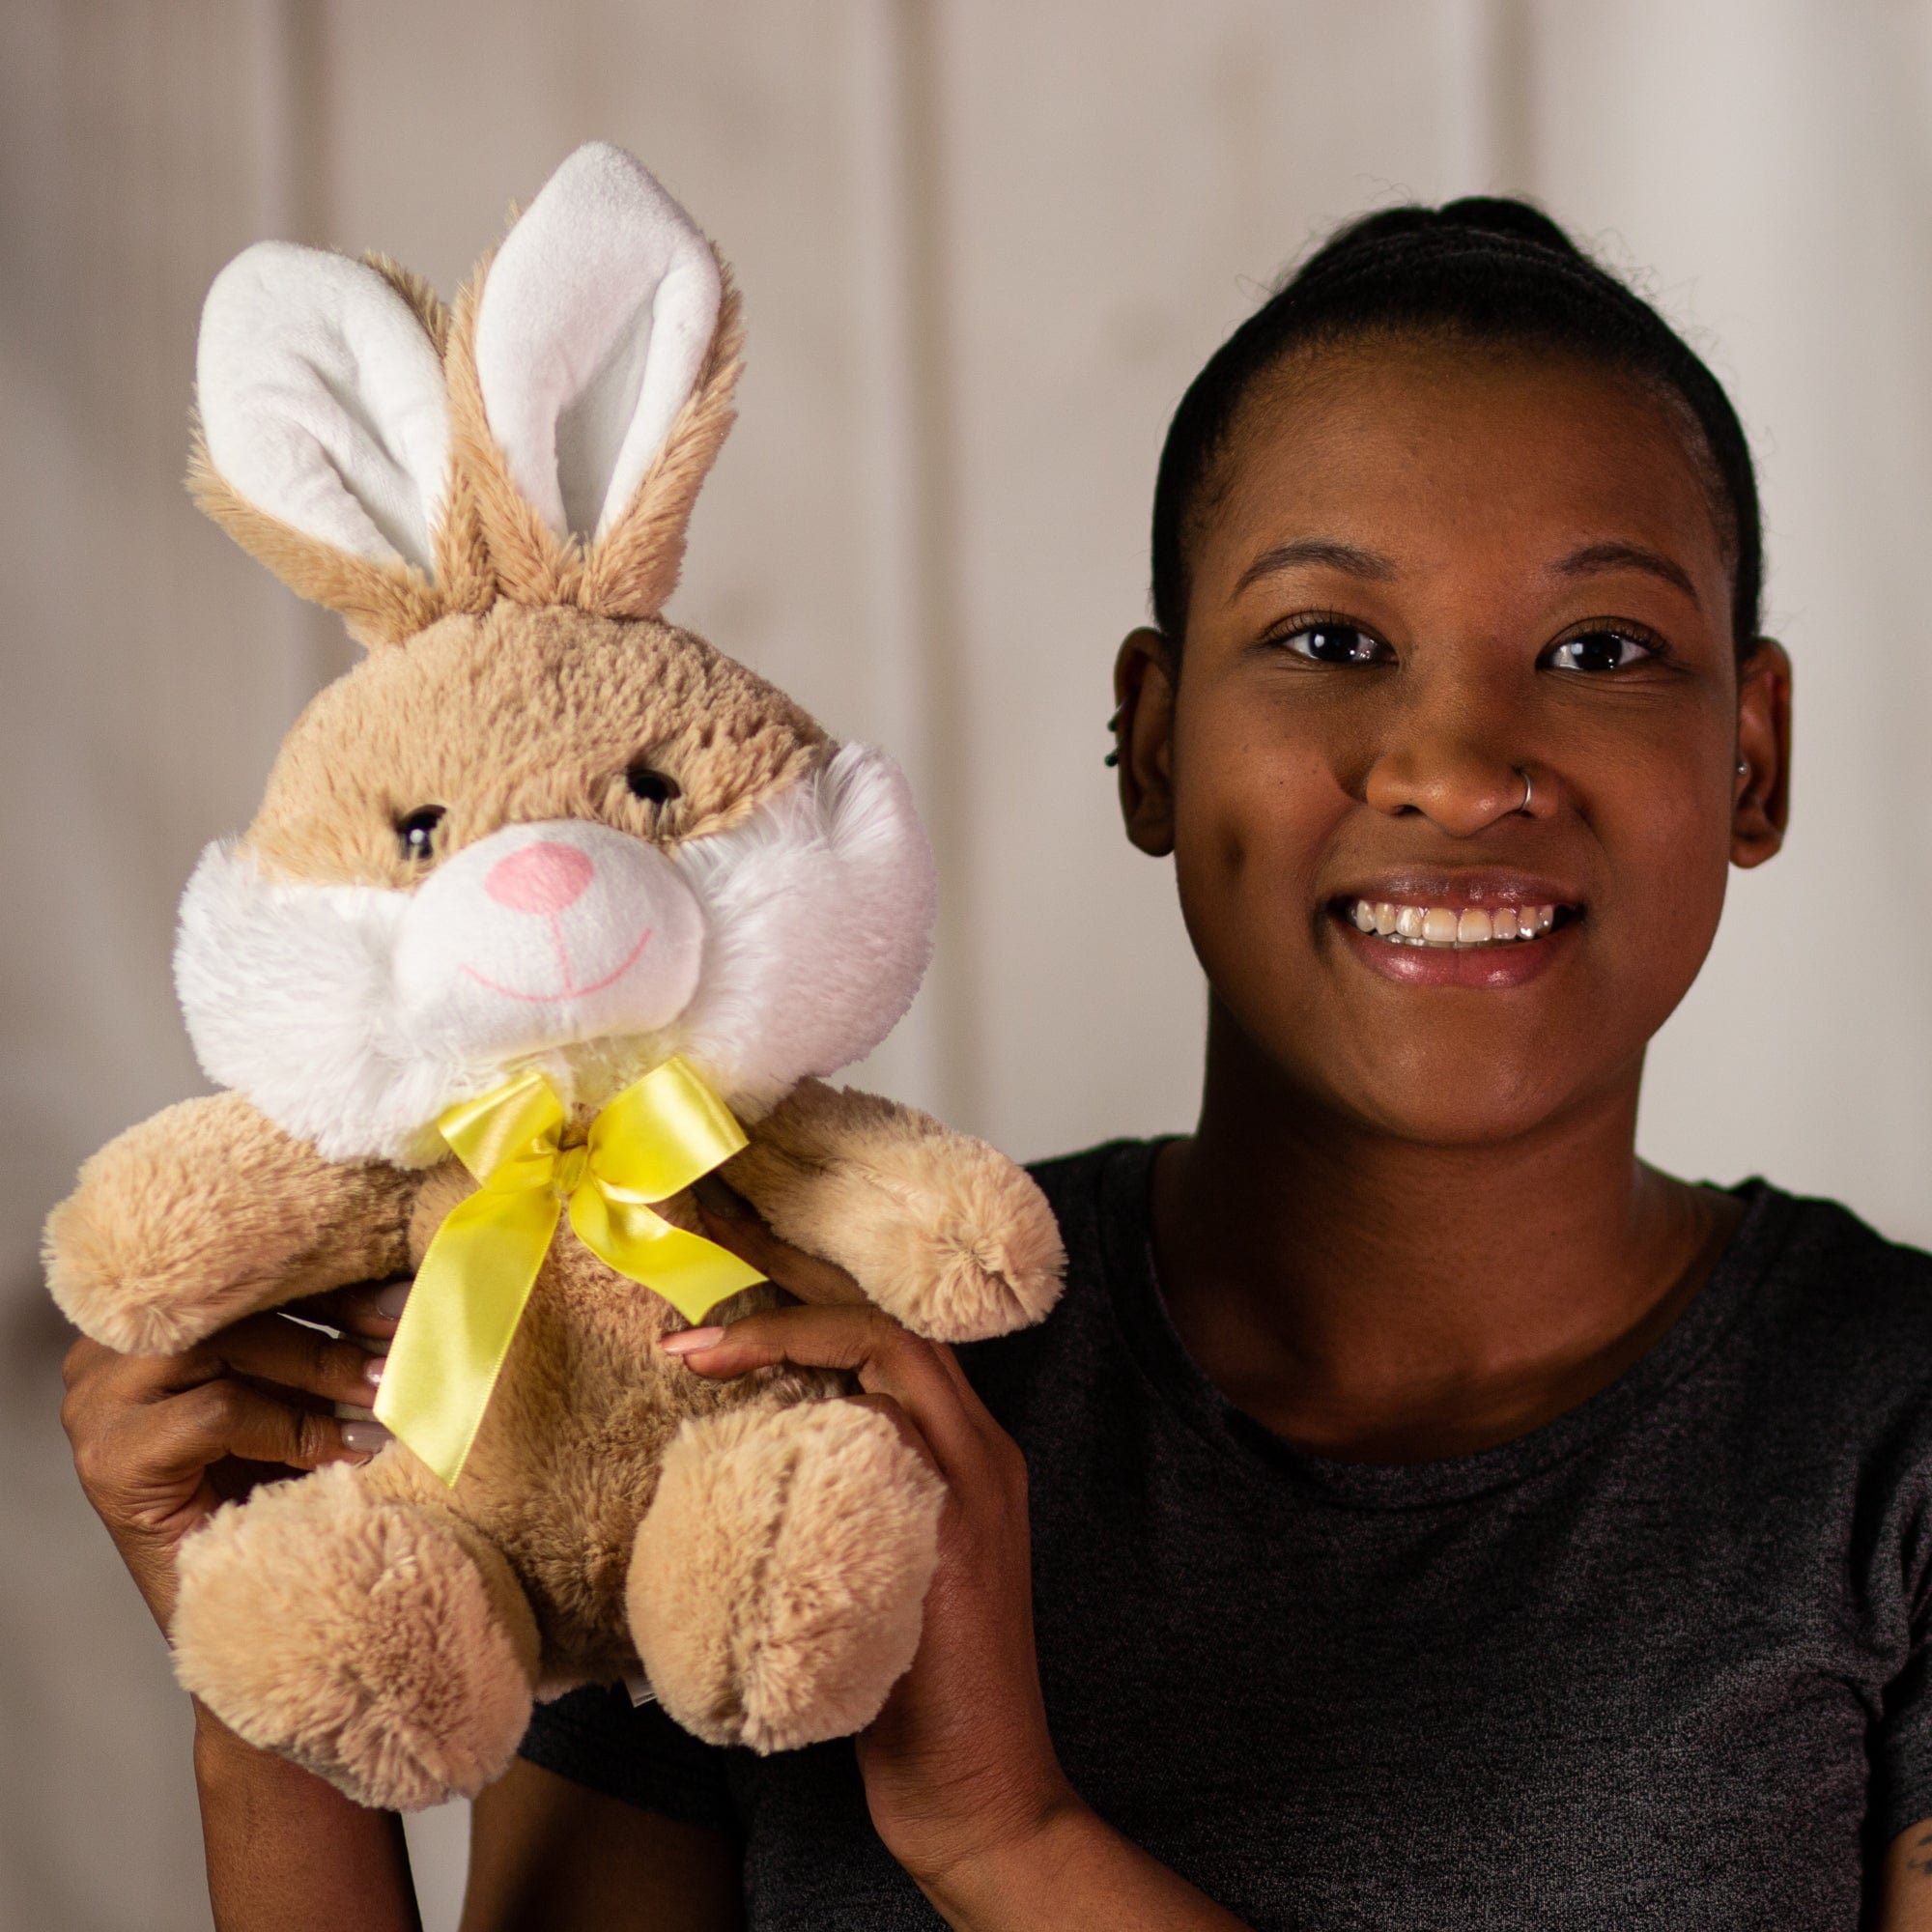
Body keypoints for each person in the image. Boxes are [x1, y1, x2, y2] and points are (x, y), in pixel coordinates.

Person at [57, 196, 1932, 1930]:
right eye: (1329, 638)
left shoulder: (1889, 1439)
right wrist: (260, 1684)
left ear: (1750, 756)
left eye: (1601, 646)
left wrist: (1003, 1836)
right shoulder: (759, 1351)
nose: (1453, 762)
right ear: (1149, 736)